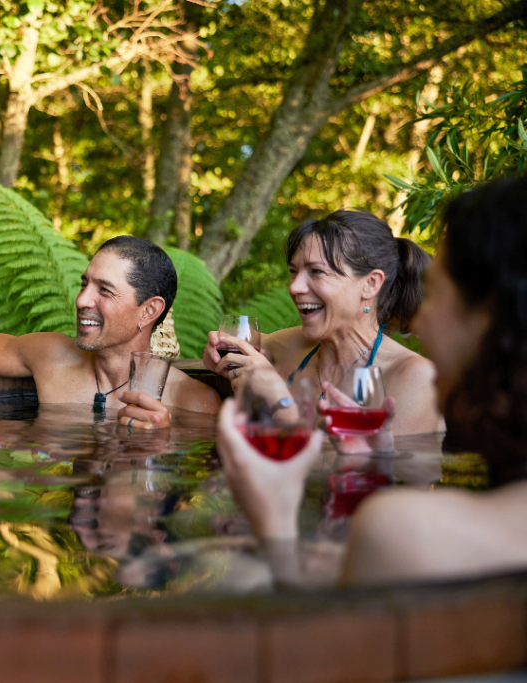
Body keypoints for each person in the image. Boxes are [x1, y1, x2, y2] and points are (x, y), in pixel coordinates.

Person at [218, 175, 527, 585]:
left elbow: (318, 639)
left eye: (434, 295)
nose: (419, 321)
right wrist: (369, 470)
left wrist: (272, 521)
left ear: (490, 318)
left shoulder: (403, 530)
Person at [124, 210, 443, 440]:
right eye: (294, 272)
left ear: (370, 285)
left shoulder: (415, 379)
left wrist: (281, 402)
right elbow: (237, 345)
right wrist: (219, 353)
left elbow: (388, 487)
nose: (294, 287)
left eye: (316, 272)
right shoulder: (285, 346)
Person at [0, 236, 220, 422]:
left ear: (149, 310)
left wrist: (159, 450)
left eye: (104, 291)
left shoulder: (194, 403)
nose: (82, 300)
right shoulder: (52, 356)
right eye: (85, 284)